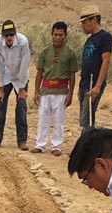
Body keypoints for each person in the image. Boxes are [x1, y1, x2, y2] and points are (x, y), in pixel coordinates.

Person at [32, 21, 78, 156]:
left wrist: (70, 93)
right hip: (45, 90)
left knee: (58, 120)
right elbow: (39, 72)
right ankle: (40, 145)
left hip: (61, 91)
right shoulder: (45, 52)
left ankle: (56, 146)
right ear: (51, 35)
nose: (58, 37)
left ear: (65, 35)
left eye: (61, 35)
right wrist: (36, 91)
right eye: (55, 34)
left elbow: (72, 75)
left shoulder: (70, 53)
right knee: (42, 118)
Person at [0, 19, 31, 151]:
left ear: (15, 34)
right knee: (0, 105)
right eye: (6, 35)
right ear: (2, 36)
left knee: (21, 108)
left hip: (20, 77)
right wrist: (0, 88)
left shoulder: (23, 42)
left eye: (11, 35)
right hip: (6, 76)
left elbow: (24, 65)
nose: (9, 38)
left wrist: (22, 89)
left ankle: (22, 141)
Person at [78, 5, 112, 134]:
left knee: (87, 119)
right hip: (85, 82)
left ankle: (86, 147)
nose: (83, 25)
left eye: (85, 22)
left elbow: (106, 60)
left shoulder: (105, 37)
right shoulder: (90, 39)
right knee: (85, 117)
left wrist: (98, 86)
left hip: (93, 83)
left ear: (94, 19)